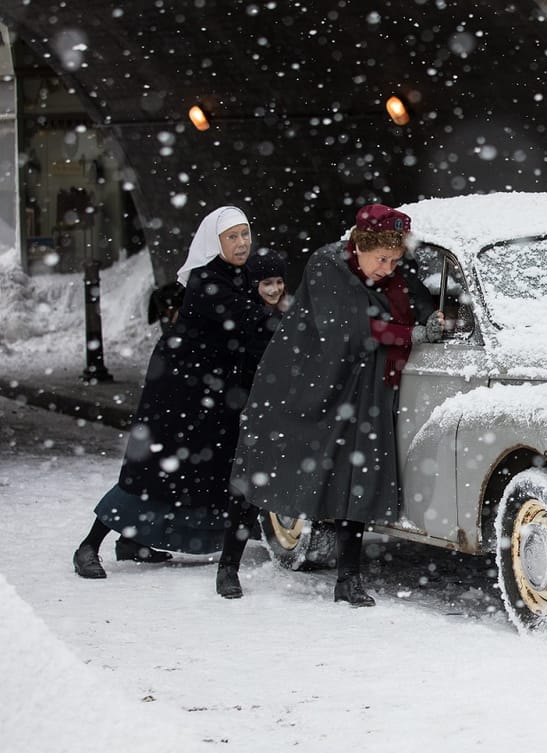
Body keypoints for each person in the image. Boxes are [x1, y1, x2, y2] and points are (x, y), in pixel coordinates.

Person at [227, 204, 439, 606]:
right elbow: (349, 330)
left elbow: (412, 295)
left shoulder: (388, 269)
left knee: (354, 478)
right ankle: (228, 564)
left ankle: (349, 580)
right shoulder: (327, 266)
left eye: (395, 260)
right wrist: (409, 333)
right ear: (359, 246)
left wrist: (433, 317)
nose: (388, 268)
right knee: (264, 467)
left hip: (360, 388)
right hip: (300, 383)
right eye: (382, 259)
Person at [72, 206, 274, 579]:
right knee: (151, 471)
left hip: (212, 392)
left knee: (192, 471)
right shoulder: (207, 281)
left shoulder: (239, 276)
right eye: (232, 236)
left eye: (245, 234)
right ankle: (88, 545)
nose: (242, 242)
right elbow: (252, 323)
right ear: (215, 242)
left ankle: (133, 541)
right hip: (179, 391)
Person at [213, 247, 290, 599]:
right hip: (252, 413)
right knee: (245, 492)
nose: (274, 289)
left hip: (281, 412)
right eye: (266, 283)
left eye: (278, 282)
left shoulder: (286, 315)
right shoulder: (249, 317)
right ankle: (228, 567)